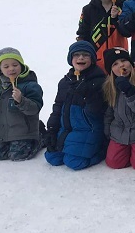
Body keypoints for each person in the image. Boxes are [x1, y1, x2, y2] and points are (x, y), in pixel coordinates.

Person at [44, 41, 107, 170]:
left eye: (85, 55)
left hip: (88, 129)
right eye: (76, 55)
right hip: (67, 128)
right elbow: (57, 107)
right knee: (52, 158)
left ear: (93, 59)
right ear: (70, 59)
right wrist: (51, 130)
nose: (81, 58)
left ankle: (102, 150)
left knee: (73, 162)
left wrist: (88, 95)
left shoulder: (100, 81)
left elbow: (100, 111)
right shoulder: (65, 82)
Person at [0, 47, 44, 161]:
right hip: (3, 133)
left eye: (15, 65)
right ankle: (10, 142)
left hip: (24, 132)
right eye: (6, 66)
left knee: (18, 155)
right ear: (0, 69)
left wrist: (21, 101)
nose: (11, 69)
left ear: (21, 65)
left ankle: (40, 137)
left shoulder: (30, 85)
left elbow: (34, 109)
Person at [102, 47, 135, 170]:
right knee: (114, 163)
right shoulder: (111, 86)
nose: (121, 66)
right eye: (115, 64)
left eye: (123, 61)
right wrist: (107, 128)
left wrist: (130, 91)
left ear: (131, 63)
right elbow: (109, 111)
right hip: (119, 132)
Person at [76, 0, 128, 72]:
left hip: (120, 58)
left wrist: (117, 17)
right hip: (97, 59)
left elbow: (128, 30)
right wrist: (82, 54)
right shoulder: (88, 10)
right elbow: (82, 34)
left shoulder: (124, 5)